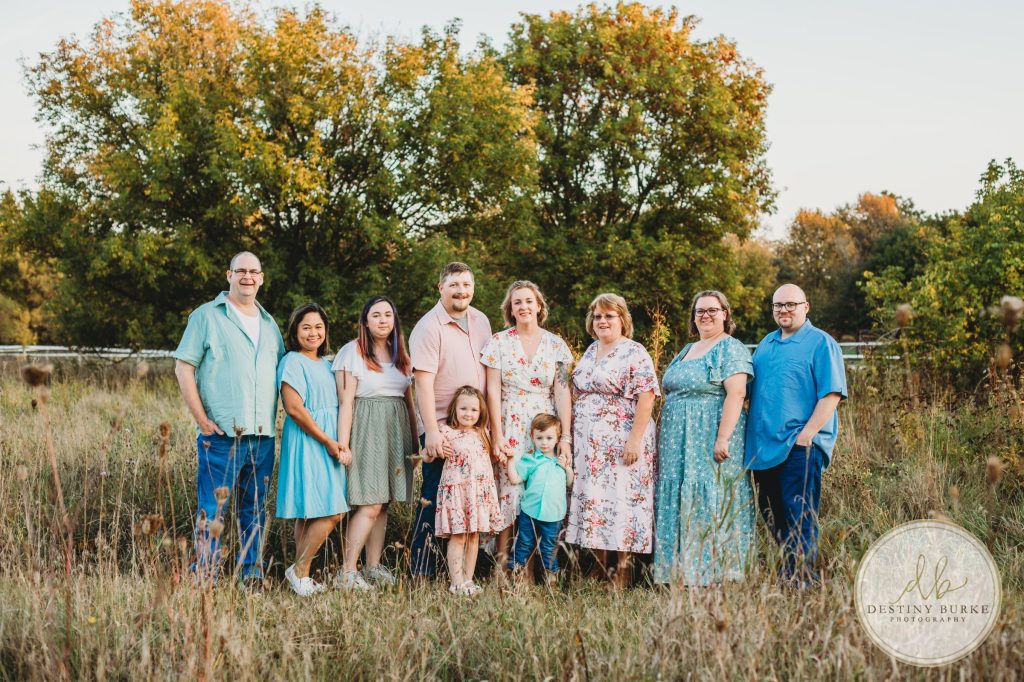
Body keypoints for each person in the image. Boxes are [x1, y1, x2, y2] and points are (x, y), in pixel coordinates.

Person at [172, 251, 284, 585]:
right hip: (220, 436)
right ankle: (204, 575)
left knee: (255, 511)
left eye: (254, 272)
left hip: (263, 436)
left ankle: (251, 575)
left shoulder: (269, 323)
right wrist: (203, 420)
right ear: (229, 275)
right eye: (241, 271)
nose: (247, 277)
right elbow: (183, 367)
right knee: (212, 509)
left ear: (261, 278)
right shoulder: (206, 316)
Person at [745, 283, 847, 587]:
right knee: (772, 513)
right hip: (763, 448)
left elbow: (831, 394)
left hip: (799, 445)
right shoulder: (767, 344)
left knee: (799, 513)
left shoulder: (820, 343)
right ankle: (789, 573)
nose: (784, 310)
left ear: (806, 306)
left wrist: (807, 435)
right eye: (778, 305)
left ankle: (804, 579)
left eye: (791, 304)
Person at [653, 291, 755, 586]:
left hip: (709, 433)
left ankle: (711, 572)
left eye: (712, 310)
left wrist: (722, 438)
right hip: (676, 439)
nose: (705, 315)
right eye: (699, 311)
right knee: (677, 493)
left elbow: (736, 394)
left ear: (725, 314)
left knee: (709, 496)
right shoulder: (687, 348)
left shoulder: (731, 348)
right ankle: (676, 571)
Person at [565, 293, 659, 588]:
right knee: (596, 502)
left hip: (622, 440)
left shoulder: (634, 351)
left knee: (623, 502)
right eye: (597, 316)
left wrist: (634, 440)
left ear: (622, 320)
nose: (602, 321)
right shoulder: (591, 350)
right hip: (589, 445)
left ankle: (623, 571)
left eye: (609, 315)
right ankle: (598, 565)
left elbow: (647, 396)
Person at [481, 280, 573, 572]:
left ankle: (536, 569)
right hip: (511, 421)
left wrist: (565, 437)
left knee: (541, 490)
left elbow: (562, 391)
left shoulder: (556, 344)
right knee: (510, 491)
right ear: (510, 308)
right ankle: (504, 567)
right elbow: (492, 390)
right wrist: (497, 434)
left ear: (539, 306)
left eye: (528, 301)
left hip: (544, 426)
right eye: (517, 302)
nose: (523, 307)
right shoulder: (498, 342)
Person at [408, 262, 492, 580]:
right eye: (454, 284)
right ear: (440, 287)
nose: (461, 291)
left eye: (467, 285)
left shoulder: (481, 320)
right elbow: (423, 383)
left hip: (474, 429)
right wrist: (431, 431)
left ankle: (461, 570)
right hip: (442, 428)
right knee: (435, 496)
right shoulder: (429, 327)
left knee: (467, 501)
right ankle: (422, 570)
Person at [333, 296, 418, 590]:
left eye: (388, 315)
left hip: (396, 430)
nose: (383, 320)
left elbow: (409, 403)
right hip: (367, 427)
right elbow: (346, 404)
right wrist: (343, 445)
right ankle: (346, 570)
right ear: (365, 321)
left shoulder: (401, 356)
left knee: (384, 504)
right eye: (376, 315)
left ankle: (373, 566)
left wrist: (416, 445)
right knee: (369, 502)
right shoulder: (351, 353)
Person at [275, 303, 350, 596]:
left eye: (318, 327)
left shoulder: (329, 363)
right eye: (306, 327)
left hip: (331, 438)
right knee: (333, 511)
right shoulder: (292, 361)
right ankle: (300, 570)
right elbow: (294, 408)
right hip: (310, 439)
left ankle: (300, 575)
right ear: (295, 330)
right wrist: (327, 441)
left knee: (308, 512)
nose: (313, 333)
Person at [432, 386, 502, 596]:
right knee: (459, 536)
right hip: (458, 494)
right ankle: (456, 582)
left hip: (478, 494)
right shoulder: (446, 432)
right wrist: (428, 451)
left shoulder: (484, 434)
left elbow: (494, 458)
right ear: (454, 409)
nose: (468, 414)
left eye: (473, 410)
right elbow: (427, 455)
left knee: (474, 537)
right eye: (463, 408)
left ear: (480, 412)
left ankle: (468, 580)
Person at [506, 413, 574, 584]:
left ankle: (551, 579)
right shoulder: (529, 460)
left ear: (558, 438)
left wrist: (566, 468)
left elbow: (570, 483)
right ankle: (516, 575)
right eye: (540, 438)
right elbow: (515, 479)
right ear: (532, 438)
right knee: (523, 543)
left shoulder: (560, 462)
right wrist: (510, 460)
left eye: (549, 438)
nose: (544, 442)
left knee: (549, 548)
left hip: (553, 515)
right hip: (530, 512)